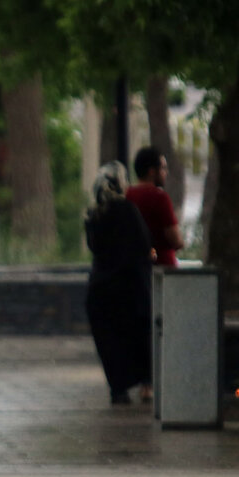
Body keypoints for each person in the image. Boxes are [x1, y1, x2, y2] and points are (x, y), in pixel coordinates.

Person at [86, 162, 154, 406]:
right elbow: (143, 245)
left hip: (100, 288)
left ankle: (119, 389)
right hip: (130, 285)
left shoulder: (93, 213)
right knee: (138, 335)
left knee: (110, 340)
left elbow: (94, 247)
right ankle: (146, 384)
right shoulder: (127, 210)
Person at [125, 146, 183, 268]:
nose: (166, 173)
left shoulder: (127, 195)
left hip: (135, 269)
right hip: (162, 267)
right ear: (152, 171)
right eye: (163, 168)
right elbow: (175, 240)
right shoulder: (159, 197)